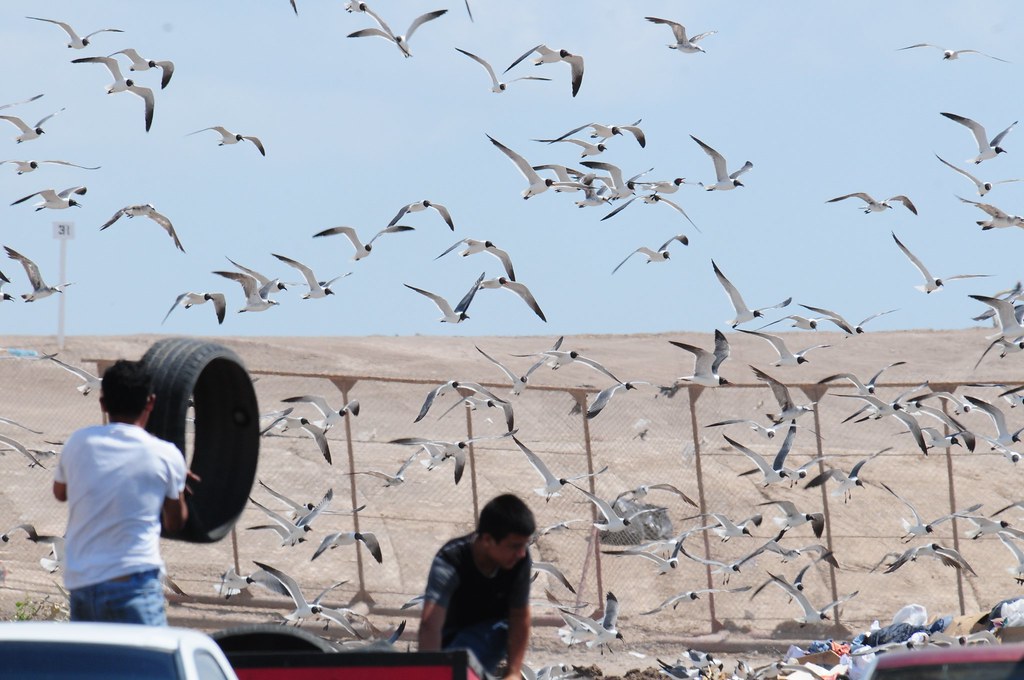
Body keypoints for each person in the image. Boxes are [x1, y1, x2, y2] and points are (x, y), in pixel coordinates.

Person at [53, 359, 190, 625]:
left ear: (102, 403)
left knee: (95, 666)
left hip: (83, 586)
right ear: (151, 402)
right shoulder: (165, 454)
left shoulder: (78, 443)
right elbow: (175, 522)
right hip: (133, 584)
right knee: (147, 665)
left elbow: (60, 493)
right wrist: (178, 484)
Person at [419, 493, 535, 679]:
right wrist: (428, 674)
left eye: (524, 545)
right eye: (514, 546)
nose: (521, 553)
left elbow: (520, 615)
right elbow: (430, 624)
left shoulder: (519, 560)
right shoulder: (450, 560)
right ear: (488, 540)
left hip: (492, 632)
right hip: (448, 635)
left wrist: (513, 672)